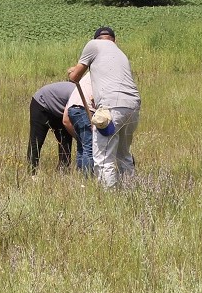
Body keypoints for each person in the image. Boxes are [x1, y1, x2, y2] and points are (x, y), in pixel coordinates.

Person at [67, 26, 140, 187]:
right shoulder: (120, 53)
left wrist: (71, 71)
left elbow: (75, 77)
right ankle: (130, 192)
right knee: (123, 155)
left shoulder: (93, 45)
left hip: (111, 107)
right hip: (133, 106)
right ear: (114, 39)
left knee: (103, 157)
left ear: (96, 38)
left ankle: (110, 198)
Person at [27, 81, 76, 174]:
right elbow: (66, 121)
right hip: (41, 104)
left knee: (65, 140)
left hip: (60, 109)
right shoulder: (78, 96)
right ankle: (32, 173)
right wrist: (78, 137)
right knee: (36, 142)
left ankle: (63, 172)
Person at [62, 79, 95, 174]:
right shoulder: (100, 73)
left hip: (74, 109)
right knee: (90, 147)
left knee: (82, 146)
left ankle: (81, 176)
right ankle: (88, 179)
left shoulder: (89, 76)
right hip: (84, 109)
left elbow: (65, 117)